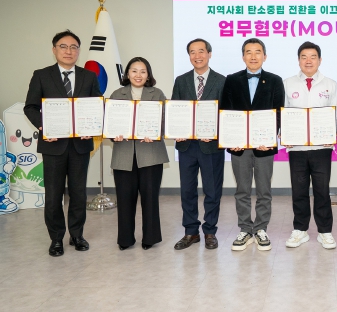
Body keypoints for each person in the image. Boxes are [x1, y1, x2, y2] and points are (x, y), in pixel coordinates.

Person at [24, 30, 102, 257]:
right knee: (53, 195)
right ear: (54, 50)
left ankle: (77, 235)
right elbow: (30, 107)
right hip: (52, 145)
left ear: (79, 50)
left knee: (78, 194)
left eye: (74, 47)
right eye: (63, 46)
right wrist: (44, 127)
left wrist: (91, 128)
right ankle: (56, 238)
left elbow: (96, 105)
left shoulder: (89, 76)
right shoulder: (41, 75)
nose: (69, 51)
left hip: (80, 145)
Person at [220, 38, 285, 251]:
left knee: (264, 190)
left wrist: (270, 138)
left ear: (265, 56)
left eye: (258, 52)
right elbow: (225, 111)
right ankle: (245, 229)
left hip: (265, 146)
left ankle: (261, 228)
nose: (253, 56)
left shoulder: (275, 80)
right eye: (249, 52)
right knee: (242, 190)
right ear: (243, 57)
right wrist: (232, 140)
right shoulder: (232, 80)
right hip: (239, 147)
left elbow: (279, 112)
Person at [171, 38, 226, 251]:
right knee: (187, 191)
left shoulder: (222, 81)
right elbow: (176, 110)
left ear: (209, 54)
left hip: (211, 146)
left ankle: (210, 231)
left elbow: (226, 114)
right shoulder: (181, 80)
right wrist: (176, 131)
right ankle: (191, 231)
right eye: (192, 52)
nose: (197, 56)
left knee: (212, 191)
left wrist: (215, 132)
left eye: (201, 51)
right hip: (187, 146)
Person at [109, 57, 169, 251]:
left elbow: (166, 121)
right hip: (123, 153)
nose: (138, 75)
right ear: (127, 74)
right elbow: (109, 123)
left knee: (150, 198)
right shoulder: (117, 94)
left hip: (151, 153)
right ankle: (125, 239)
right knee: (124, 199)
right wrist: (113, 135)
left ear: (148, 75)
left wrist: (156, 133)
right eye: (134, 71)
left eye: (143, 71)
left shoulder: (157, 94)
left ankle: (150, 237)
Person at [283, 41, 337, 249]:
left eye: (313, 57)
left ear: (320, 60)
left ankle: (325, 231)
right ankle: (300, 230)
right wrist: (284, 134)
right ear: (298, 60)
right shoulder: (287, 83)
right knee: (299, 191)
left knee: (322, 191)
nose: (308, 61)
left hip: (322, 148)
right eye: (304, 57)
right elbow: (283, 113)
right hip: (297, 148)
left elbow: (336, 114)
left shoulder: (330, 84)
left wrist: (333, 134)